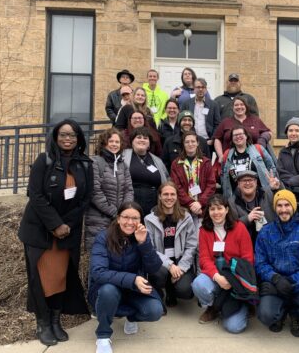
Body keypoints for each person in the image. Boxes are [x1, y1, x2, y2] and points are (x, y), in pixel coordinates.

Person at [18, 119, 93, 346]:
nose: (67, 138)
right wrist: (55, 224)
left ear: (79, 138)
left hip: (68, 231)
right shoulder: (45, 160)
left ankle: (56, 320)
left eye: (72, 135)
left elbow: (85, 199)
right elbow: (36, 195)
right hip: (40, 230)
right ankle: (43, 323)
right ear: (55, 137)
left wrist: (66, 225)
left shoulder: (85, 165)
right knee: (40, 278)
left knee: (60, 277)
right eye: (63, 134)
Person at [89, 202, 164, 353]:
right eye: (126, 217)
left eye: (135, 218)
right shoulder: (103, 238)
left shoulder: (142, 236)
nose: (130, 222)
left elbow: (154, 268)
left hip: (133, 290)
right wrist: (133, 279)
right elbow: (98, 272)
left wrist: (144, 244)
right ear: (118, 218)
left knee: (155, 311)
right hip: (107, 288)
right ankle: (103, 336)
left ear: (140, 220)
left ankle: (131, 318)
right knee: (109, 291)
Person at [255, 190, 299, 337]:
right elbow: (260, 262)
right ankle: (281, 312)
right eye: (279, 205)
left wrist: (288, 283)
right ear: (275, 208)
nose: (283, 209)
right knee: (266, 316)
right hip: (275, 281)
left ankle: (297, 313)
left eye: (287, 205)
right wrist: (275, 278)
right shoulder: (265, 232)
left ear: (293, 207)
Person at [192, 194, 254, 334]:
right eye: (212, 209)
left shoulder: (239, 228)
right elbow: (204, 259)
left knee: (234, 327)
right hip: (217, 275)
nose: (216, 212)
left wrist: (232, 279)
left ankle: (245, 305)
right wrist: (217, 277)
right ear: (208, 211)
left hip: (237, 277)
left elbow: (248, 259)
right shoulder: (204, 230)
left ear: (227, 209)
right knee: (198, 284)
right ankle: (213, 308)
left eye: (219, 208)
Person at [145, 182, 198, 312]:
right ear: (159, 197)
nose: (169, 197)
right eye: (165, 194)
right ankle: (159, 294)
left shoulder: (186, 218)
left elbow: (191, 246)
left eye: (172, 194)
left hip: (180, 261)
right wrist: (170, 265)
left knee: (186, 291)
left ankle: (173, 290)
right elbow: (150, 248)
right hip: (161, 262)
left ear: (177, 197)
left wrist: (181, 268)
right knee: (158, 275)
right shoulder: (149, 219)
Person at [84, 128, 134, 251]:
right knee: (99, 257)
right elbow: (95, 192)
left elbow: (129, 189)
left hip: (119, 220)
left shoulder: (123, 165)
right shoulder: (95, 162)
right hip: (99, 220)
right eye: (111, 141)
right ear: (104, 143)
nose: (114, 144)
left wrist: (124, 211)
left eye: (117, 142)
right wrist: (115, 213)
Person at [220, 125, 280, 199]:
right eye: (235, 135)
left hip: (260, 196)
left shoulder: (258, 149)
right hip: (236, 199)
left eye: (241, 134)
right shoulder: (227, 154)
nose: (238, 136)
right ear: (232, 139)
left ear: (246, 136)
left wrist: (271, 182)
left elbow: (271, 166)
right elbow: (223, 173)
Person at [170, 131, 217, 225]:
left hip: (202, 208)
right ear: (183, 144)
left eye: (193, 141)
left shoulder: (206, 162)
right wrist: (191, 203)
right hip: (183, 208)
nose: (190, 144)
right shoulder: (176, 164)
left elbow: (211, 184)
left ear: (197, 143)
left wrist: (200, 203)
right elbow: (176, 187)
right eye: (187, 142)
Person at [122, 127, 168, 217]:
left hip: (153, 207)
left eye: (145, 138)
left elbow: (165, 181)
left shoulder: (158, 161)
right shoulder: (122, 156)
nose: (142, 140)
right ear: (132, 141)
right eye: (138, 137)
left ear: (149, 144)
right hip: (130, 205)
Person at [228, 170, 276, 245]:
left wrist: (278, 188)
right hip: (247, 244)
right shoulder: (232, 202)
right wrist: (247, 219)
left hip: (271, 240)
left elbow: (285, 202)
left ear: (256, 183)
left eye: (250, 180)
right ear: (238, 184)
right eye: (244, 180)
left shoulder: (267, 193)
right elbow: (231, 227)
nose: (247, 183)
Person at [181, 78, 221, 147]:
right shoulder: (186, 104)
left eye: (203, 87)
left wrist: (213, 139)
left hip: (207, 142)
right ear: (194, 89)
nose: (200, 89)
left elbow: (217, 124)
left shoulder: (213, 104)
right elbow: (182, 122)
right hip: (190, 141)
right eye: (198, 87)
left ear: (206, 89)